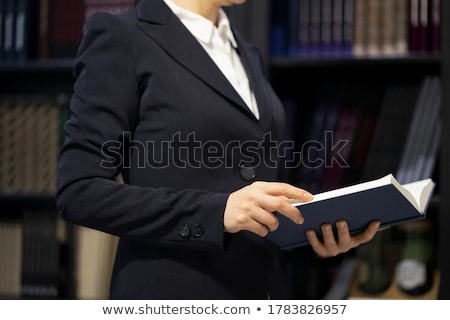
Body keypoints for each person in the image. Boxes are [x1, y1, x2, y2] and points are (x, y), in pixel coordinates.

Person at [56, 0, 380, 299]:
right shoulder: (122, 36)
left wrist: (316, 243)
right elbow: (79, 191)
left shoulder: (246, 52)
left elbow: (259, 201)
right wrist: (218, 212)